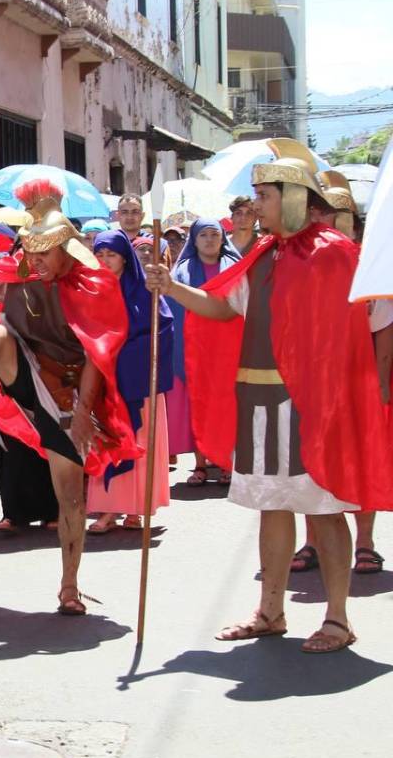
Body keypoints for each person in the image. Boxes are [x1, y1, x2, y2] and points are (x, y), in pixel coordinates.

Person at [144, 138, 393, 653]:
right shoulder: (263, 256)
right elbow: (222, 309)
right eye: (255, 195)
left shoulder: (336, 255)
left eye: (265, 194)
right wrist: (170, 286)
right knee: (272, 506)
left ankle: (338, 619)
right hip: (260, 401)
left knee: (323, 509)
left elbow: (374, 320)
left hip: (314, 405)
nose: (256, 204)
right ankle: (271, 610)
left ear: (296, 197)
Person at [0, 180, 138, 616]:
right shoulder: (15, 273)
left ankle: (69, 586)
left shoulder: (93, 285)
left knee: (69, 496)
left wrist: (84, 412)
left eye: (45, 252)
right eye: (30, 251)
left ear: (65, 247)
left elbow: (95, 354)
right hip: (26, 375)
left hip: (71, 395)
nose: (36, 261)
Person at [289, 172, 385, 575]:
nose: (334, 222)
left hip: (359, 380)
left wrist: (376, 385)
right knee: (312, 464)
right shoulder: (304, 264)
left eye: (342, 215)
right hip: (312, 383)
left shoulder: (371, 270)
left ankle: (365, 541)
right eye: (328, 215)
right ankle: (312, 540)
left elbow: (383, 328)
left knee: (358, 464)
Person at [86, 230, 174, 534]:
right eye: (100, 254)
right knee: (109, 442)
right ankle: (109, 509)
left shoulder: (143, 291)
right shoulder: (92, 290)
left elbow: (162, 329)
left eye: (111, 254)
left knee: (139, 441)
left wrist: (127, 354)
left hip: (137, 383)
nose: (106, 260)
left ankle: (137, 509)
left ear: (124, 256)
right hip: (105, 382)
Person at [166, 220, 240, 485]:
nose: (209, 240)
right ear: (194, 240)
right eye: (203, 235)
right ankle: (200, 464)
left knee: (227, 405)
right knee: (198, 402)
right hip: (194, 348)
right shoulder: (182, 272)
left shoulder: (236, 268)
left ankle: (227, 463)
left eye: (214, 234)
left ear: (222, 239)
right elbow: (172, 311)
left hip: (228, 348)